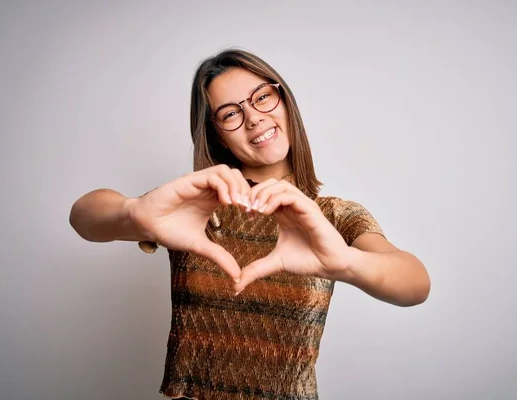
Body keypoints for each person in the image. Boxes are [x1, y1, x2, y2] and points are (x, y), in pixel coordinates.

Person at [69, 48, 431, 400]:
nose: (254, 118)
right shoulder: (194, 206)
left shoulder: (333, 215)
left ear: (285, 100)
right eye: (230, 113)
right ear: (217, 134)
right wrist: (133, 213)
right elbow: (83, 216)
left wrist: (347, 263)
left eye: (262, 97)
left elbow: (415, 284)